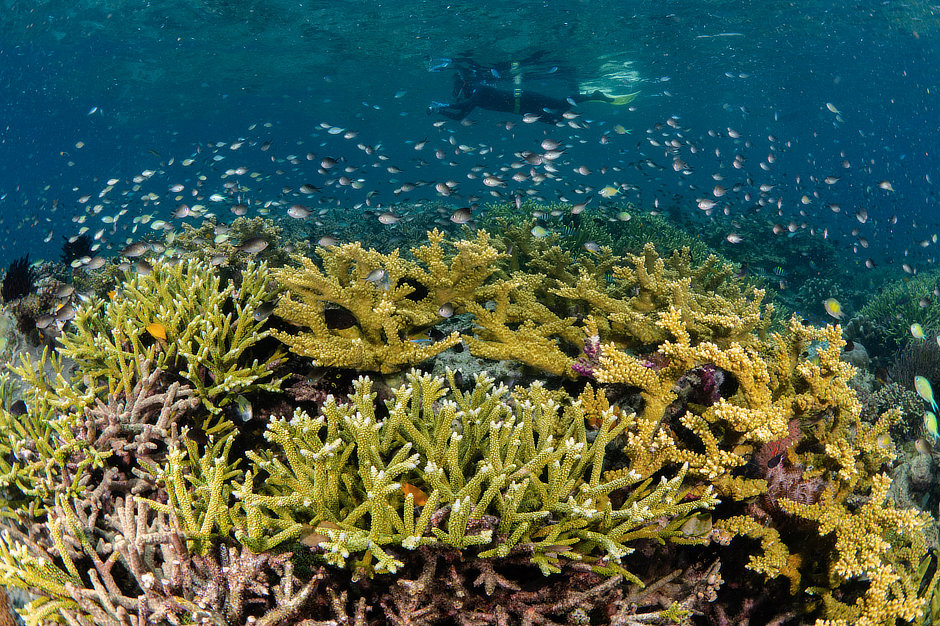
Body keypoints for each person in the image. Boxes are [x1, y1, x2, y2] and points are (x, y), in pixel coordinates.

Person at [427, 54, 638, 123]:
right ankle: (588, 99)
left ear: (466, 82)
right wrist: (440, 110)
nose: (461, 90)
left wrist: (443, 104)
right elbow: (459, 116)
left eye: (461, 86)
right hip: (521, 109)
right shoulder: (473, 96)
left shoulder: (479, 88)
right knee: (554, 120)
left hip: (525, 99)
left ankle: (593, 95)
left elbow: (467, 104)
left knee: (558, 104)